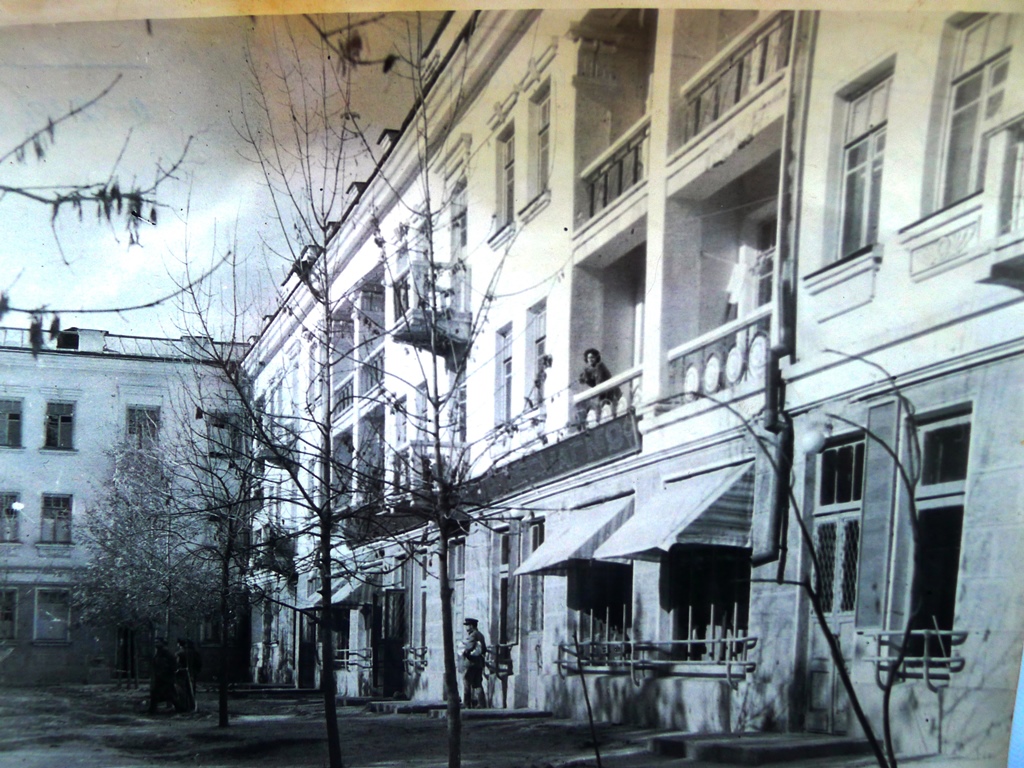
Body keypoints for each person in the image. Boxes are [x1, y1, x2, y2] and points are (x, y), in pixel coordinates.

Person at [576, 348, 620, 426]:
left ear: (596, 358)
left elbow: (599, 382)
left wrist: (587, 378)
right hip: (603, 393)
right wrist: (586, 379)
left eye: (592, 357)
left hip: (608, 392)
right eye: (588, 358)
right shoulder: (592, 369)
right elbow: (594, 384)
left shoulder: (600, 366)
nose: (590, 359)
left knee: (606, 410)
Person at [461, 618, 487, 709]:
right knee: (478, 684)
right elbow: (484, 649)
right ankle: (482, 704)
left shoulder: (473, 635)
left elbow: (469, 647)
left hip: (470, 662)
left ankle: (467, 704)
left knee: (467, 682)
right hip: (479, 663)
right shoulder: (481, 635)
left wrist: (464, 652)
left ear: (472, 626)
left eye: (467, 626)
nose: (466, 628)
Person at [148, 638, 177, 714]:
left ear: (162, 643)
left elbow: (173, 664)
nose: (156, 644)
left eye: (157, 642)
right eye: (155, 642)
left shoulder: (166, 653)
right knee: (167, 694)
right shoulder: (159, 652)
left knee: (158, 693)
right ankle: (152, 710)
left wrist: (167, 672)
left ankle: (152, 710)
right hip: (161, 677)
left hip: (165, 677)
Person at [175, 638, 201, 712]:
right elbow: (199, 664)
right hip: (192, 674)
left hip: (181, 674)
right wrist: (196, 672)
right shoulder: (195, 653)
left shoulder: (179, 653)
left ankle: (184, 706)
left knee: (182, 690)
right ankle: (191, 706)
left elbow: (176, 665)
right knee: (191, 690)